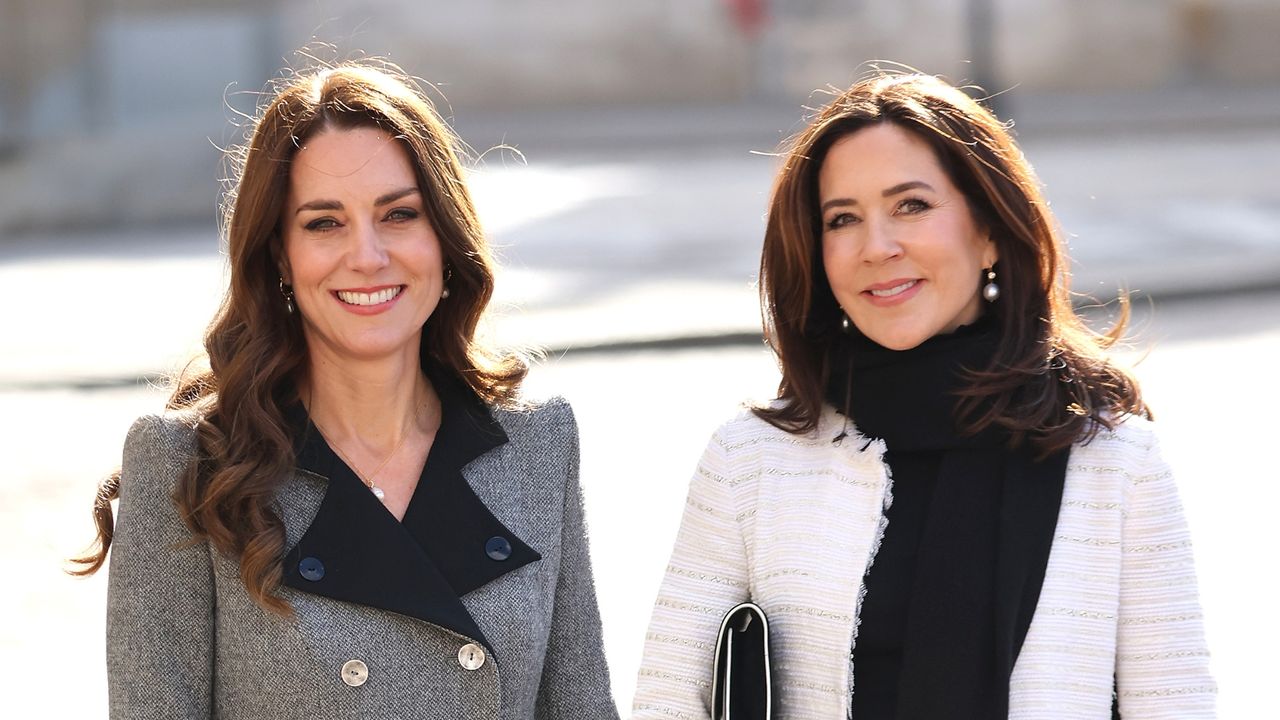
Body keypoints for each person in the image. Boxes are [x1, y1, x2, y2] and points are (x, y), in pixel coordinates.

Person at [632, 72, 1216, 718]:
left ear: (989, 229)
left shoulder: (1115, 463)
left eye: (911, 205)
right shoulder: (748, 463)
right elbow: (669, 702)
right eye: (842, 219)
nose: (877, 247)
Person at [71, 61, 618, 720]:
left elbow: (582, 705)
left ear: (443, 237)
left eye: (399, 215)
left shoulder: (536, 445)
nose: (367, 255)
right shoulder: (193, 466)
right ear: (279, 255)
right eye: (324, 223)